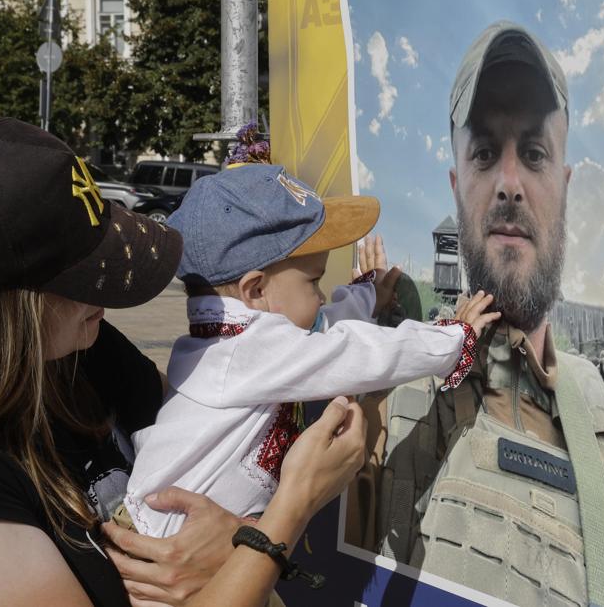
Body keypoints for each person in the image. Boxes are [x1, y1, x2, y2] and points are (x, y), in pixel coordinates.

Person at [0, 118, 368, 607]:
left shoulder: (75, 356)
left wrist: (234, 533)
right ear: (5, 307)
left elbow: (206, 444)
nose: (106, 300)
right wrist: (284, 515)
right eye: (88, 278)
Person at [359, 22, 604, 607]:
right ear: (458, 185)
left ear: (564, 186)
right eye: (486, 153)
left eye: (534, 154)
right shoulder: (379, 406)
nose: (510, 183)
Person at [123, 161, 499, 538]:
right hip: (167, 556)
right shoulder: (247, 353)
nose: (321, 295)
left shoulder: (223, 339)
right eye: (314, 281)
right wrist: (454, 337)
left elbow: (316, 331)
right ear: (255, 291)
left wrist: (367, 296)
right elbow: (351, 351)